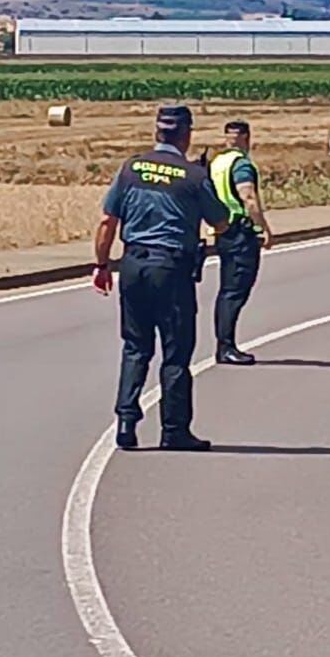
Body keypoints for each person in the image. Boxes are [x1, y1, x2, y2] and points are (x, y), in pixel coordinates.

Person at [93, 105, 230, 452]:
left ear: (158, 133)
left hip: (133, 264)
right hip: (171, 269)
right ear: (186, 135)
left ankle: (126, 420)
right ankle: (174, 430)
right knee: (175, 352)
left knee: (136, 347)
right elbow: (221, 222)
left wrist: (101, 265)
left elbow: (108, 221)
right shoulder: (193, 176)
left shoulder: (131, 168)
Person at [209, 120, 274, 366]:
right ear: (247, 138)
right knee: (234, 292)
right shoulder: (241, 164)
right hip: (241, 232)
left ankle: (224, 344)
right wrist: (263, 228)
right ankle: (226, 347)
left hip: (223, 230)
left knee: (227, 290)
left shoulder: (217, 162)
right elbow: (248, 196)